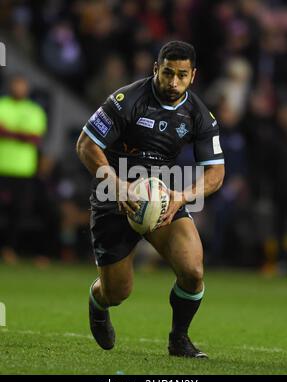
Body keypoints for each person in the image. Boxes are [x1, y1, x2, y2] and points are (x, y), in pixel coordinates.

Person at [76, 41, 225, 358]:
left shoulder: (198, 113)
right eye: (167, 73)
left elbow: (216, 173)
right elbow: (86, 145)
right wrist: (115, 184)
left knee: (193, 270)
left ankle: (179, 339)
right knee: (118, 292)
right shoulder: (126, 99)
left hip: (163, 195)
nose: (173, 82)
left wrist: (182, 196)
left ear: (192, 76)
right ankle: (98, 302)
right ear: (156, 68)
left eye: (181, 75)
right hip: (114, 194)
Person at [0, 75, 47, 263]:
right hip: (1, 168)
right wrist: (21, 134)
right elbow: (28, 136)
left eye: (22, 86)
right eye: (16, 85)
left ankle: (9, 249)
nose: (19, 89)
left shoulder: (34, 110)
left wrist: (7, 132)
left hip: (23, 170)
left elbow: (35, 138)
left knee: (18, 212)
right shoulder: (2, 104)